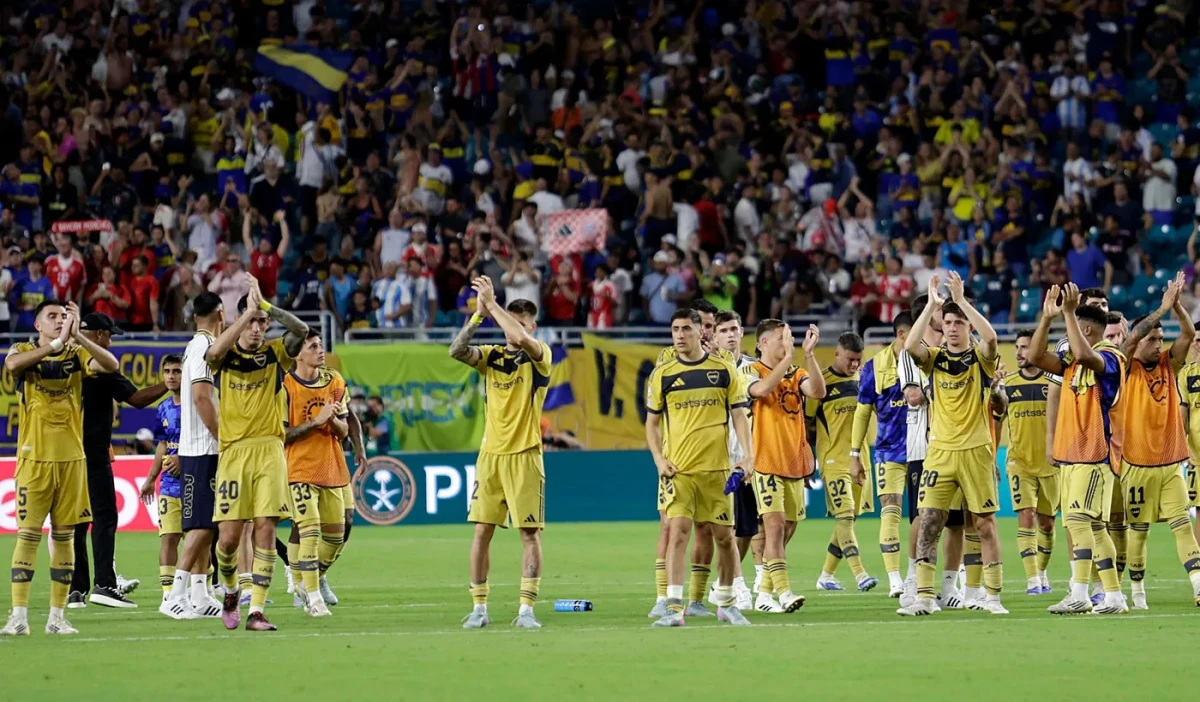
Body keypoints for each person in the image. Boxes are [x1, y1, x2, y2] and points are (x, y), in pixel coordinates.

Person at [1, 300, 119, 636]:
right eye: (52, 316)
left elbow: (109, 364)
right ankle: (19, 616)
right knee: (28, 536)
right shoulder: (23, 349)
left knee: (65, 536)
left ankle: (56, 617)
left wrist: (78, 336)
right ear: (38, 324)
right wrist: (54, 345)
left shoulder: (76, 354)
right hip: (34, 460)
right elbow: (12, 366)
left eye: (63, 316)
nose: (59, 321)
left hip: (71, 460)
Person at [899, 272, 1008, 616]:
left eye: (959, 322)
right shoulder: (934, 358)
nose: (952, 327)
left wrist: (961, 302)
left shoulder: (981, 358)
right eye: (947, 322)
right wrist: (931, 304)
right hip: (940, 453)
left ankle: (992, 597)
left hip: (975, 451)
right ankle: (926, 598)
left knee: (985, 524)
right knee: (929, 521)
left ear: (968, 325)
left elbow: (991, 337)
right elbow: (909, 346)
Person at [206, 279, 310, 631]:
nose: (256, 329)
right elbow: (213, 354)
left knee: (265, 528)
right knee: (229, 539)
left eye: (261, 324)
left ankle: (257, 611)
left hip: (269, 449)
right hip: (234, 452)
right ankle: (232, 589)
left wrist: (265, 307)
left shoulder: (275, 353)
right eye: (250, 323)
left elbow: (302, 329)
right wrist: (247, 313)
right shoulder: (226, 356)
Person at [449, 277, 551, 629]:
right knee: (481, 532)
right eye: (512, 322)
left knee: (529, 534)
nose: (514, 331)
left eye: (522, 324)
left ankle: (526, 610)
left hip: (525, 455)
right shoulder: (491, 357)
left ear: (532, 326)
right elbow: (456, 351)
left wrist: (492, 306)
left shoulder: (540, 355)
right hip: (490, 455)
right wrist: (478, 316)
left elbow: (522, 340)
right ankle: (479, 608)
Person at [644, 308, 754, 628]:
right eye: (675, 329)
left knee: (724, 538)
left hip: (716, 471)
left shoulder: (722, 369)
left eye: (686, 329)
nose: (680, 335)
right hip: (679, 471)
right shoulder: (662, 374)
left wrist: (748, 456)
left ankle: (727, 603)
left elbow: (739, 415)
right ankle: (674, 608)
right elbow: (651, 424)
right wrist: (658, 459)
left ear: (699, 332)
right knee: (678, 532)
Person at [1028, 283, 1126, 615]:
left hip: (1095, 453)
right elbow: (1035, 357)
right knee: (1095, 526)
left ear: (1084, 330)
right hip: (1073, 454)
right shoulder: (1070, 360)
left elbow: (1086, 354)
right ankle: (1114, 595)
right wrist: (1046, 319)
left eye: (1072, 325)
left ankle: (1080, 593)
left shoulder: (1111, 358)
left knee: (1077, 519)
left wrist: (1068, 311)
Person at [68, 313, 168, 609]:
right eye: (108, 335)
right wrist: (168, 384)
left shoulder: (63, 360)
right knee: (104, 517)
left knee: (74, 521)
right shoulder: (101, 366)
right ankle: (105, 585)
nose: (110, 340)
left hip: (66, 452)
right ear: (98, 335)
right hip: (93, 452)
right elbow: (137, 399)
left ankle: (76, 590)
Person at [1119, 275, 1200, 609]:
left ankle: (1198, 586)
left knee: (1183, 525)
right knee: (1138, 532)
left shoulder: (1169, 364)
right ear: (1138, 342)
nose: (1157, 344)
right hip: (1136, 466)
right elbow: (1129, 340)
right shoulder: (1125, 366)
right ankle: (1137, 591)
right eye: (1151, 338)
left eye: (1160, 338)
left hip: (1170, 467)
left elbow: (1188, 334)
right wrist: (1161, 308)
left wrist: (1177, 307)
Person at [746, 319, 825, 614]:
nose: (786, 342)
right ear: (762, 343)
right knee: (775, 526)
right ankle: (783, 592)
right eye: (781, 338)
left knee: (788, 528)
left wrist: (808, 355)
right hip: (765, 460)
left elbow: (817, 391)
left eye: (788, 337)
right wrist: (790, 358)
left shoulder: (796, 372)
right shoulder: (750, 371)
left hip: (794, 462)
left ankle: (764, 595)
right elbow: (763, 390)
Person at [161, 292, 225, 620]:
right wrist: (222, 438)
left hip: (199, 447)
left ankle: (200, 594)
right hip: (202, 448)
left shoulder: (196, 345)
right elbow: (202, 398)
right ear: (221, 313)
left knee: (208, 524)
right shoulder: (203, 348)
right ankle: (174, 594)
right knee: (200, 525)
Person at [282, 332, 351, 618]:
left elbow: (344, 430)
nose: (321, 350)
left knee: (336, 537)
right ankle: (312, 598)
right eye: (313, 346)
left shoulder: (333, 381)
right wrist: (315, 422)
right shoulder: (285, 386)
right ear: (298, 353)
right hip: (299, 468)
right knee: (308, 532)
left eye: (321, 345)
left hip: (331, 466)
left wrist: (332, 419)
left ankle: (305, 580)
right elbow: (281, 434)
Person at [850, 312, 913, 597]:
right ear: (901, 334)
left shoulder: (926, 360)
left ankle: (916, 575)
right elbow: (862, 413)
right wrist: (854, 454)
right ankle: (895, 579)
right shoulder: (874, 368)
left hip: (926, 449)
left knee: (928, 515)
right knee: (891, 508)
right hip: (889, 450)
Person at [809, 332, 877, 592]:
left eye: (858, 360)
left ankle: (826, 575)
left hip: (860, 461)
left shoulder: (864, 380)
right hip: (833, 461)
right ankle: (860, 574)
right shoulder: (821, 383)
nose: (854, 365)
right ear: (837, 354)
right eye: (850, 359)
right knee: (846, 517)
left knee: (848, 520)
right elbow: (806, 423)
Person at [711, 311, 764, 611]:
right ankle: (738, 586)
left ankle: (723, 581)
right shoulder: (710, 370)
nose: (730, 335)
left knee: (748, 529)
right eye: (724, 331)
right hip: (719, 458)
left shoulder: (753, 370)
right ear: (715, 337)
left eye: (734, 329)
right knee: (726, 527)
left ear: (742, 332)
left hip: (748, 457)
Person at [1002, 330, 1058, 596]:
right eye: (1017, 347)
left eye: (1025, 347)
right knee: (1026, 517)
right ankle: (1032, 579)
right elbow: (994, 421)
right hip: (1019, 463)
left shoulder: (1054, 382)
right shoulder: (1008, 385)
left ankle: (1043, 571)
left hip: (1051, 465)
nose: (1019, 352)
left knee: (1047, 524)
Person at [138, 354, 185, 599]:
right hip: (169, 483)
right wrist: (150, 479)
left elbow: (212, 440)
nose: (171, 376)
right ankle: (169, 594)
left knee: (199, 539)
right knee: (168, 536)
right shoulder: (163, 407)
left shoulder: (199, 403)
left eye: (176, 371)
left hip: (196, 479)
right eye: (167, 371)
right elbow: (162, 444)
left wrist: (184, 459)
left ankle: (204, 589)